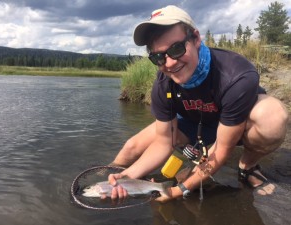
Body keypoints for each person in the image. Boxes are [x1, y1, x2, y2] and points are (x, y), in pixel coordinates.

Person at [108, 5, 289, 201]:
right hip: (197, 124)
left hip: (240, 124)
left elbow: (221, 149)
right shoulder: (163, 85)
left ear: (195, 39)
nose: (169, 64)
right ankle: (108, 182)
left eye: (176, 49)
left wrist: (179, 190)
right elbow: (163, 142)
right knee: (130, 148)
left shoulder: (237, 75)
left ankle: (247, 167)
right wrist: (126, 177)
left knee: (273, 117)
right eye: (158, 57)